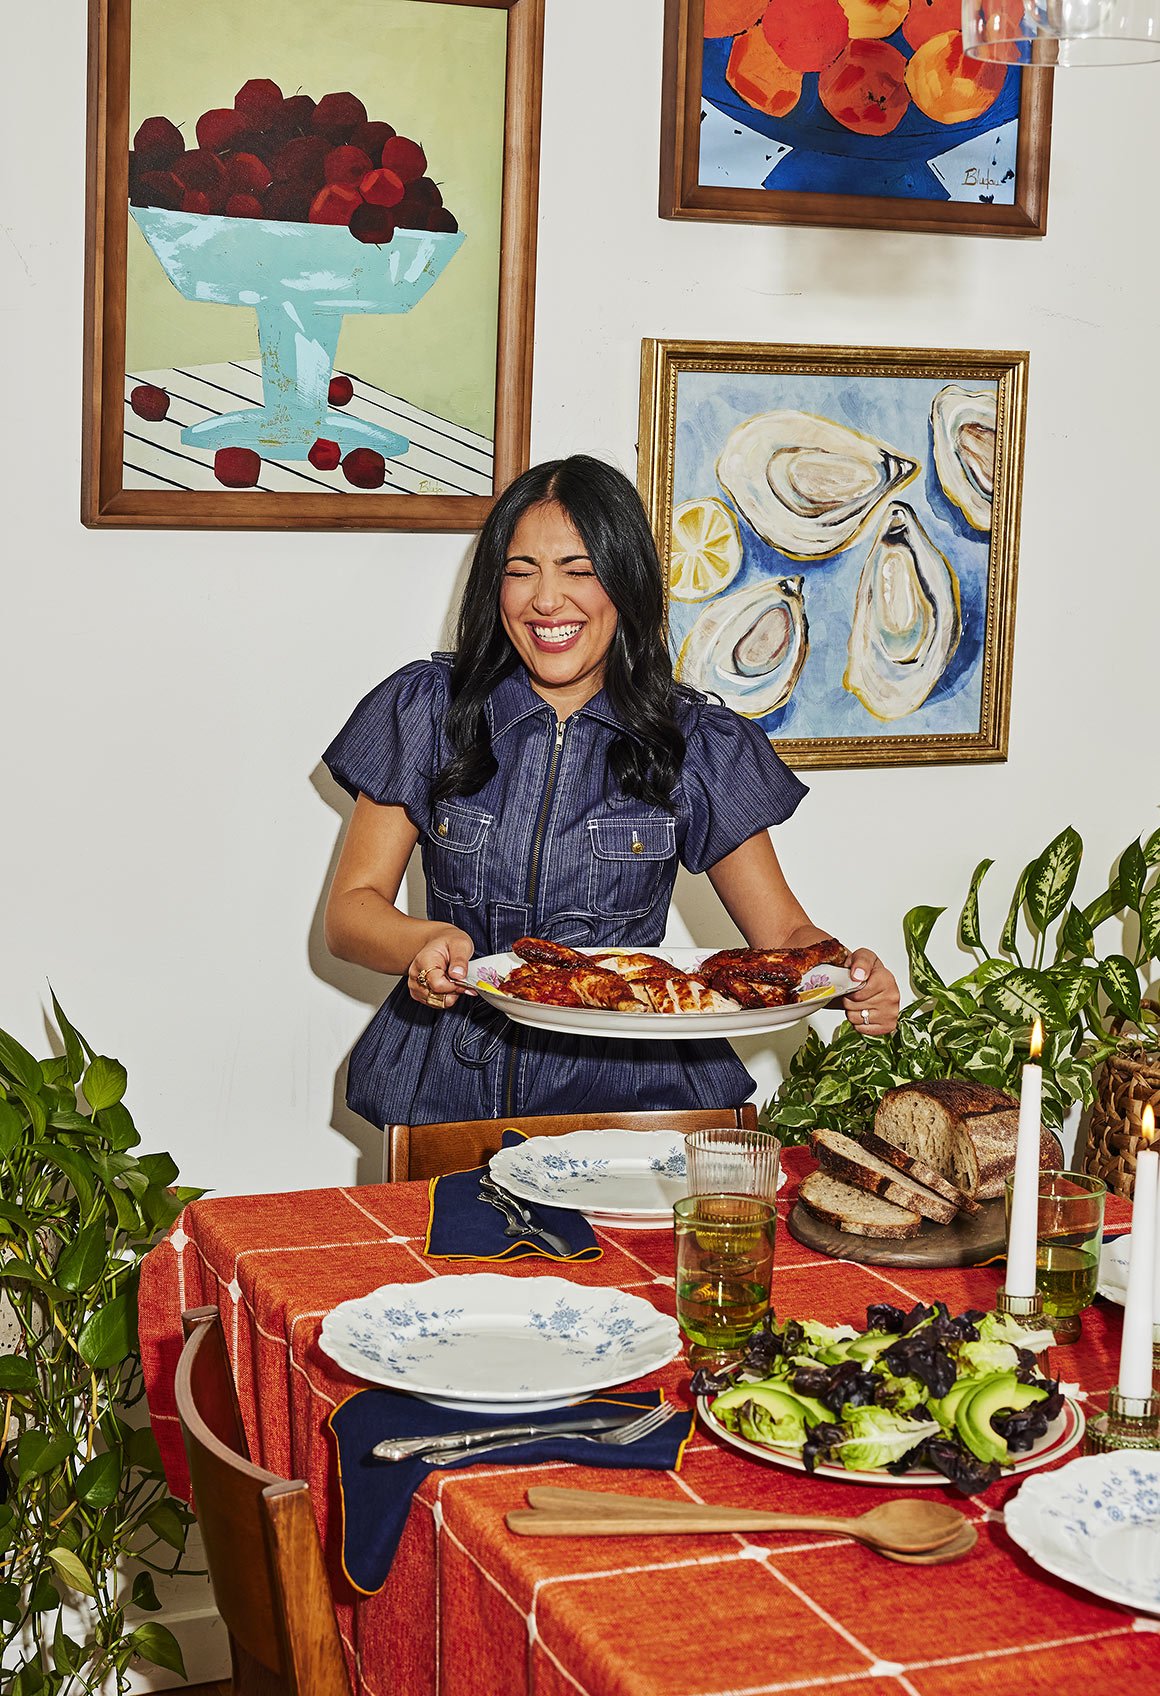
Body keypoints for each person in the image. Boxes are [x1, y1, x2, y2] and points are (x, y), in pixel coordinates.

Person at [322, 455, 900, 1131]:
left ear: (626, 585)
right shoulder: (426, 711)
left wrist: (848, 976)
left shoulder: (695, 740)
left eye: (579, 570)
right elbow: (350, 913)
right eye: (521, 571)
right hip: (450, 1094)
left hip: (635, 1104)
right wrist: (422, 941)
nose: (546, 600)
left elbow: (784, 938)